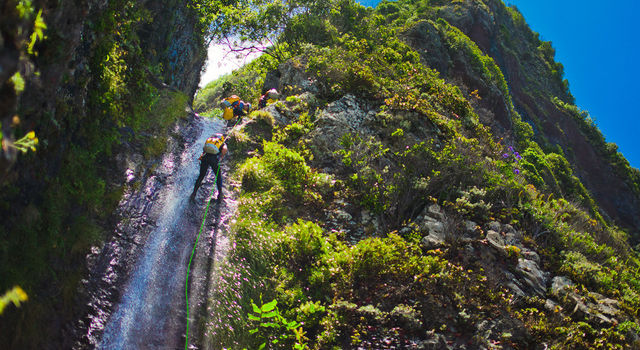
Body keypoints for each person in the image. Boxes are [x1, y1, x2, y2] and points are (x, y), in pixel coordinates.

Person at [190, 133, 228, 201]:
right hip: (213, 159)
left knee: (201, 176)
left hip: (205, 158)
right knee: (218, 176)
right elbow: (224, 150)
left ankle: (194, 193)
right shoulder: (222, 143)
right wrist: (221, 157)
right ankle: (220, 195)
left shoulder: (210, 140)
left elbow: (204, 149)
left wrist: (201, 156)